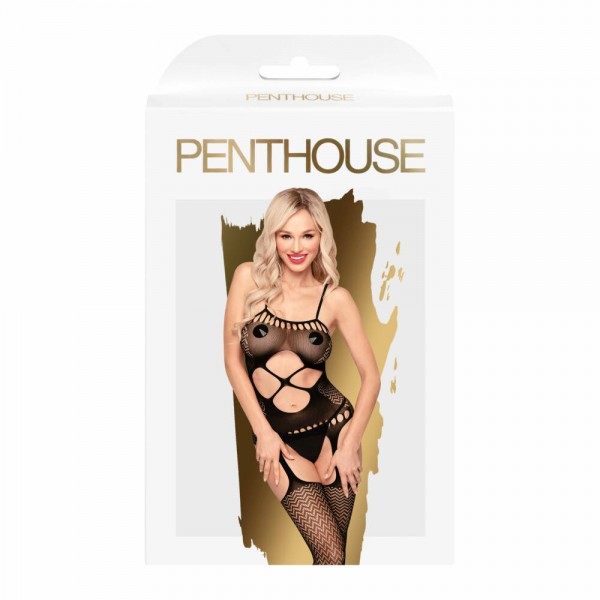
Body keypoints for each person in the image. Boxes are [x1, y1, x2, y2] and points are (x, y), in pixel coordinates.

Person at [223, 187, 380, 565]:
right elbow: (232, 361)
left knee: (334, 558)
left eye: (307, 235)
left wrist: (350, 444)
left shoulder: (335, 299)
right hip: (276, 434)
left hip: (336, 428)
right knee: (329, 552)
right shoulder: (248, 279)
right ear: (273, 237)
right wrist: (263, 432)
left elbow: (371, 376)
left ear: (321, 236)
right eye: (286, 235)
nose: (296, 247)